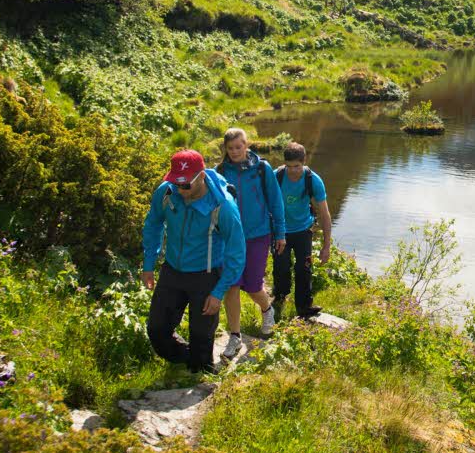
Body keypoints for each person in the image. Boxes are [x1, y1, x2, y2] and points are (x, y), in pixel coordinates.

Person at [140, 149, 246, 372]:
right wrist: (149, 264)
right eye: (176, 183)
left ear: (202, 177)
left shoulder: (223, 207)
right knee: (157, 330)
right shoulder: (167, 193)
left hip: (206, 275)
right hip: (173, 271)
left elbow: (236, 253)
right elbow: (153, 225)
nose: (180, 189)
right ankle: (187, 357)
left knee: (201, 336)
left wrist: (218, 292)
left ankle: (201, 368)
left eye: (186, 185)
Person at [216, 127, 284, 356]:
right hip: (230, 237)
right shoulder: (220, 172)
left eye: (239, 146)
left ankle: (267, 308)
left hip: (258, 234)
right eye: (231, 148)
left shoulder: (262, 169)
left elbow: (276, 202)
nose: (235, 151)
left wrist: (281, 233)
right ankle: (234, 336)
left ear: (247, 145)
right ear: (225, 149)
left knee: (253, 285)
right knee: (232, 284)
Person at [274, 141, 332, 320]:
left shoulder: (312, 180)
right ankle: (280, 298)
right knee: (281, 268)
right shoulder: (277, 176)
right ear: (284, 163)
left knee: (304, 268)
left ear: (304, 162)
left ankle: (304, 306)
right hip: (280, 230)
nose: (293, 171)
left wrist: (326, 246)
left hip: (303, 230)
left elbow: (324, 213)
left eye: (297, 166)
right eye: (289, 166)